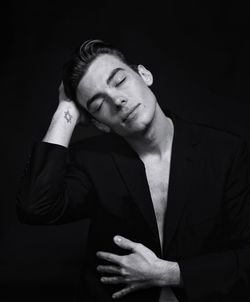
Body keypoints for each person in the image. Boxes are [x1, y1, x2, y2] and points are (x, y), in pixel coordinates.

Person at [17, 39, 250, 302]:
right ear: (100, 124)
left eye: (118, 81)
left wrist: (171, 274)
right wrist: (65, 111)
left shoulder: (224, 152)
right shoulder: (93, 161)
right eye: (98, 104)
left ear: (144, 75)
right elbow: (36, 206)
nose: (117, 100)